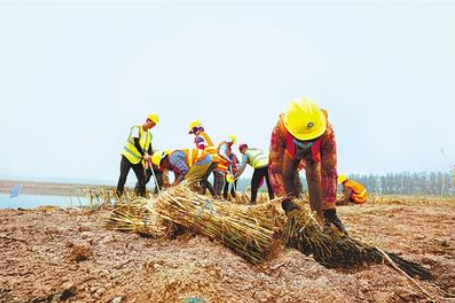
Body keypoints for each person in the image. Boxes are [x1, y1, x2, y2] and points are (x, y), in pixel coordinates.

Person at [268, 97, 347, 233]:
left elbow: (328, 171)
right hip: (291, 151)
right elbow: (275, 169)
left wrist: (329, 210)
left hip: (314, 154)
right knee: (287, 174)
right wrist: (285, 200)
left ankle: (319, 220)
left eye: (311, 138)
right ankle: (296, 217)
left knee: (314, 176)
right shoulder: (280, 130)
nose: (306, 142)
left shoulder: (327, 132)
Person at [116, 113, 159, 197]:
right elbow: (136, 142)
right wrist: (143, 155)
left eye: (154, 125)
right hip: (127, 157)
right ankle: (118, 196)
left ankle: (142, 198)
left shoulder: (149, 135)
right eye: (152, 123)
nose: (152, 126)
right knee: (123, 177)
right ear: (147, 120)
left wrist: (150, 156)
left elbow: (149, 147)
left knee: (142, 179)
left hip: (138, 159)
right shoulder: (136, 128)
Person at [188, 120, 219, 195]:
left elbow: (200, 150)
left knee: (202, 178)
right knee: (203, 178)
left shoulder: (199, 137)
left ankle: (208, 195)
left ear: (195, 129)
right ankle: (212, 195)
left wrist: (196, 162)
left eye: (193, 131)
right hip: (214, 159)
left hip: (210, 159)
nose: (193, 133)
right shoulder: (204, 134)